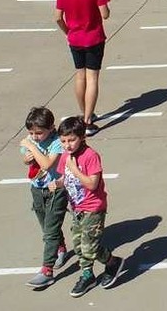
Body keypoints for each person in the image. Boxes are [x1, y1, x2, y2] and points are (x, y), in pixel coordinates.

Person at [56, 115, 125, 296]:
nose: (67, 145)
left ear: (82, 137)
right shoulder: (66, 157)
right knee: (79, 245)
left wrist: (75, 170)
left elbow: (92, 184)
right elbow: (65, 178)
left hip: (93, 208)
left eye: (72, 140)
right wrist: (57, 184)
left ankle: (113, 262)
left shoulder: (90, 156)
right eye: (63, 141)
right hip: (77, 208)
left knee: (90, 246)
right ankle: (87, 275)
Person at [56, 0, 111, 135]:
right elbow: (105, 14)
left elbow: (58, 17)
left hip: (75, 38)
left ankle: (84, 112)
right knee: (92, 77)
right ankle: (88, 121)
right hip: (94, 38)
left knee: (80, 75)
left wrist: (68, 31)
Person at [19, 106, 72, 290]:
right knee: (46, 225)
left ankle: (46, 270)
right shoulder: (30, 141)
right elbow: (26, 158)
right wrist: (27, 158)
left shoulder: (57, 142)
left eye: (39, 133)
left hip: (56, 189)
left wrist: (32, 147)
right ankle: (60, 247)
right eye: (31, 133)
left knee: (50, 230)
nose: (34, 137)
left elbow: (47, 163)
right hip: (37, 188)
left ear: (51, 128)